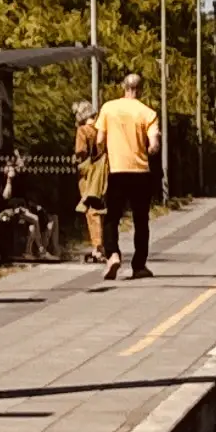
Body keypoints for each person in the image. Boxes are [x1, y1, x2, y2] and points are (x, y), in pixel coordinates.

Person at [96, 72, 162, 280]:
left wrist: (104, 153)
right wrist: (149, 149)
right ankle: (139, 265)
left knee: (111, 218)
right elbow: (154, 146)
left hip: (116, 171)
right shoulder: (148, 113)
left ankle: (113, 254)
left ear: (123, 87)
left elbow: (99, 141)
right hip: (141, 172)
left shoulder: (108, 108)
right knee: (141, 220)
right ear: (140, 90)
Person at [75, 99, 110, 267]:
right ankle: (104, 245)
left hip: (89, 177)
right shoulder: (102, 130)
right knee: (102, 211)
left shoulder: (83, 131)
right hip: (104, 172)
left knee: (91, 212)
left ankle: (97, 247)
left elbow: (80, 152)